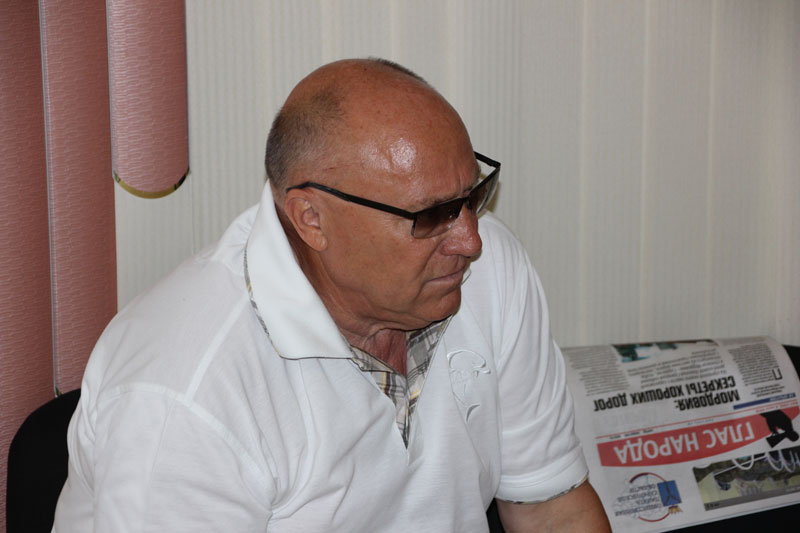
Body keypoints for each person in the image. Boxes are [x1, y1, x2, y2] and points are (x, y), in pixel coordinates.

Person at [53, 58, 610, 532]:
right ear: (311, 219)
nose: (471, 240)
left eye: (472, 196)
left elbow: (552, 511)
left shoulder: (488, 269)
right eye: (432, 214)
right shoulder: (188, 391)